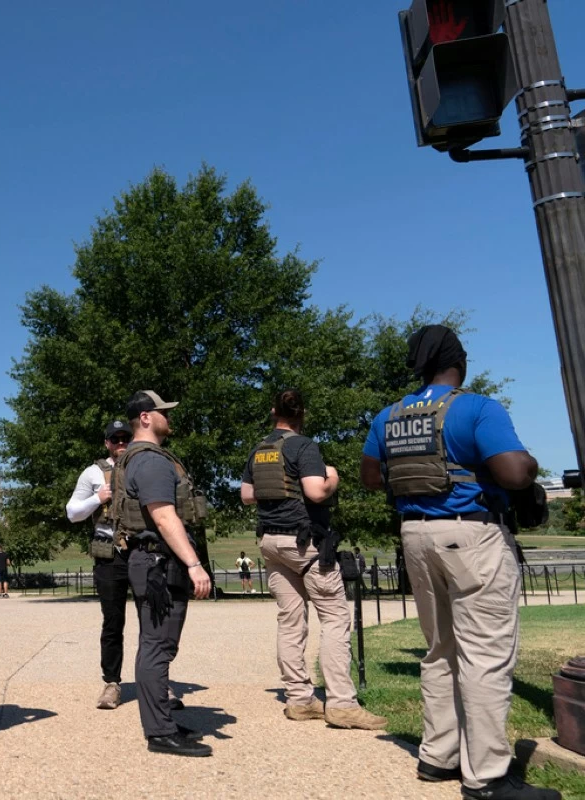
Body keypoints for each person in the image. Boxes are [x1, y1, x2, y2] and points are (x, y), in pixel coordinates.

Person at [360, 325, 556, 800]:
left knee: (440, 649)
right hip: (471, 536)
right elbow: (512, 472)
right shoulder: (477, 407)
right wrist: (529, 468)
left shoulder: (387, 417)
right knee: (485, 655)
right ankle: (487, 776)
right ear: (459, 361)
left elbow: (370, 479)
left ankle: (437, 756)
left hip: (416, 539)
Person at [240, 388, 386, 732]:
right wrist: (332, 477)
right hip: (303, 543)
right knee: (335, 617)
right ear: (302, 413)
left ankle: (300, 699)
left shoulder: (259, 450)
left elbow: (247, 495)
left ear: (274, 410)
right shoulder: (304, 447)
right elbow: (316, 491)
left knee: (290, 622)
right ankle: (342, 705)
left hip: (271, 542)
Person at [111, 390, 212, 757]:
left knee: (158, 644)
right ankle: (159, 733)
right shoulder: (151, 462)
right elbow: (164, 515)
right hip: (159, 563)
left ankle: (163, 724)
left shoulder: (136, 459)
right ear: (145, 418)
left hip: (151, 561)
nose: (169, 417)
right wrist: (194, 563)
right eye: (162, 412)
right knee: (157, 646)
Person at [66, 419, 134, 710]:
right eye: (115, 439)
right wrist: (98, 497)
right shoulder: (93, 472)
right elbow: (72, 512)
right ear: (107, 443)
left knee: (153, 620)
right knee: (113, 621)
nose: (120, 443)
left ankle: (158, 682)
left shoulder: (144, 465)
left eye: (124, 438)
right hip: (110, 557)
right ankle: (112, 683)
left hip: (145, 552)